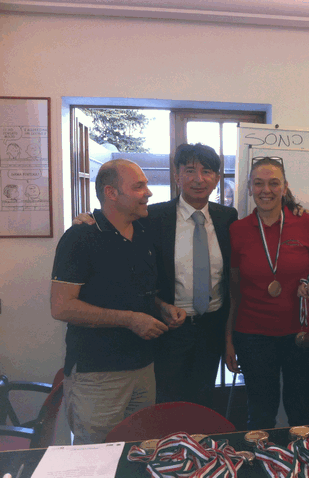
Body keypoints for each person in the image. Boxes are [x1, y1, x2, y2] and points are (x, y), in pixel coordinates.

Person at [73, 143, 238, 409]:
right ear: (177, 175)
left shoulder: (227, 217)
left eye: (207, 171)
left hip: (212, 327)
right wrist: (88, 220)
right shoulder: (152, 216)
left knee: (204, 402)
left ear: (217, 178)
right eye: (190, 170)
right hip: (168, 327)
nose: (198, 179)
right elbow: (115, 220)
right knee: (164, 403)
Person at [50, 159, 186, 444]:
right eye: (139, 186)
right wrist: (130, 319)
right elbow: (61, 306)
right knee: (98, 457)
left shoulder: (143, 233)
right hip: (98, 374)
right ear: (111, 193)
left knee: (139, 451)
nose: (148, 193)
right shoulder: (81, 237)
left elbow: (136, 292)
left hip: (144, 368)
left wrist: (162, 308)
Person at [225, 156, 309, 431]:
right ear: (249, 188)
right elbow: (234, 290)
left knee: (302, 411)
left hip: (303, 333)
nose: (266, 190)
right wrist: (229, 339)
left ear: (285, 187)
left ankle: (302, 457)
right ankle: (262, 458)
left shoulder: (306, 223)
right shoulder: (237, 230)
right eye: (259, 183)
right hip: (254, 336)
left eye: (273, 183)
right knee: (260, 413)